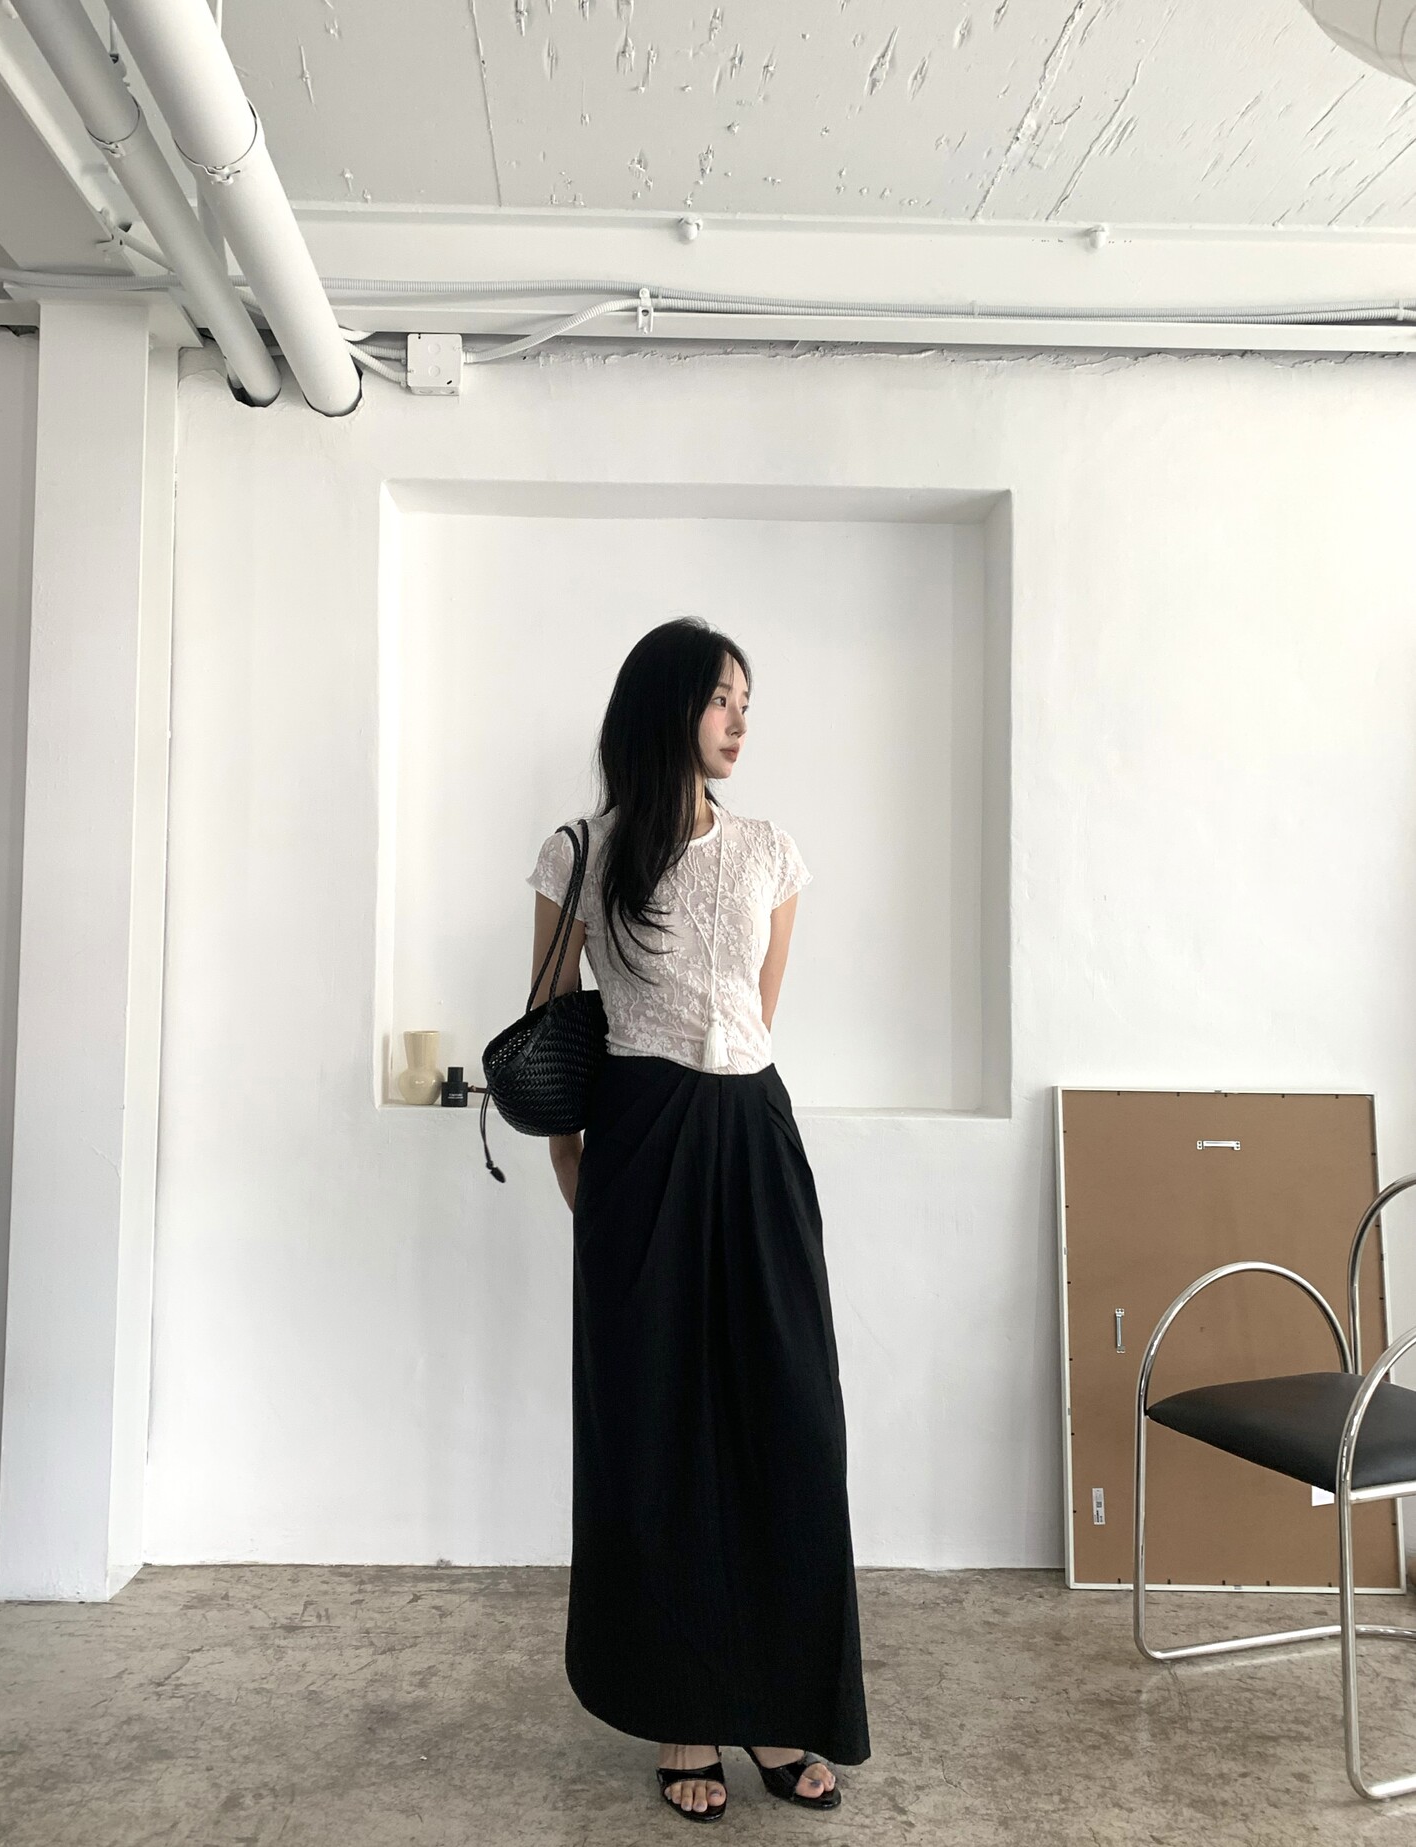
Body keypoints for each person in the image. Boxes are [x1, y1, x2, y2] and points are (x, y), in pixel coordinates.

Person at [524, 617, 870, 1823]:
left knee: (790, 1422)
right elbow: (550, 1030)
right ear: (665, 705)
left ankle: (778, 1704)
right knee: (658, 1432)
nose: (739, 720)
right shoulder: (581, 852)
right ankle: (683, 1710)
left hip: (754, 1141)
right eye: (722, 698)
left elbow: (754, 1017)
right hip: (639, 1149)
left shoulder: (771, 852)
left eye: (746, 702)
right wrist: (576, 1167)